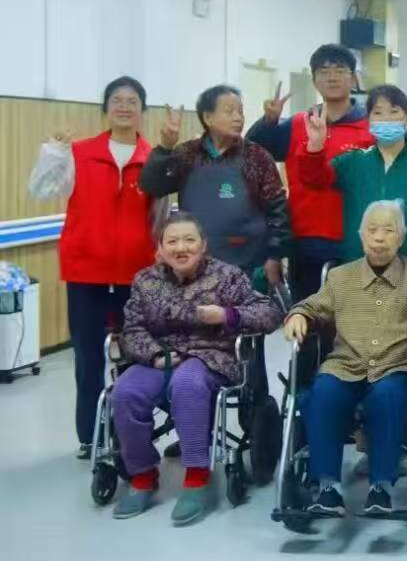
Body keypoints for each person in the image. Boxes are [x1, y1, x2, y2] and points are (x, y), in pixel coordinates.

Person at [282, 200, 407, 517]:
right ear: (361, 236)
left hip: (395, 367)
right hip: (345, 366)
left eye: (388, 231)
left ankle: (381, 488)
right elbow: (310, 306)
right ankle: (328, 488)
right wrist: (298, 315)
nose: (379, 238)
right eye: (372, 230)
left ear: (400, 238)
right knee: (322, 394)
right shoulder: (340, 277)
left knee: (388, 396)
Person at [110, 212, 282, 524]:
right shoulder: (146, 280)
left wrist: (227, 316)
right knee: (125, 391)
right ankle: (143, 474)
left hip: (210, 356)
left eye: (189, 240)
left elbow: (269, 314)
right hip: (161, 357)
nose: (181, 247)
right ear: (160, 248)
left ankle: (197, 474)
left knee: (187, 385)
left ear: (203, 245)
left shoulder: (227, 276)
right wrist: (155, 355)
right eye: (172, 241)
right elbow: (132, 329)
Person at [27, 76, 161, 459]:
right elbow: (40, 190)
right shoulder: (79, 153)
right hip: (85, 272)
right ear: (105, 108)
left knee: (136, 356)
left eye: (132, 101)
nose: (124, 107)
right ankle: (89, 435)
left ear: (142, 110)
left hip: (137, 274)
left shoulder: (153, 159)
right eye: (117, 100)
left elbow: (161, 218)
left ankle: (131, 434)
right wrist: (53, 153)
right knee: (88, 358)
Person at [247, 44, 374, 300]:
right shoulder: (297, 125)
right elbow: (252, 153)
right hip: (305, 239)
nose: (332, 77)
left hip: (356, 238)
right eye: (324, 71)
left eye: (340, 70)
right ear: (315, 81)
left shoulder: (370, 127)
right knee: (306, 314)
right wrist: (268, 122)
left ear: (353, 78)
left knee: (352, 316)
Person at [140, 85, 290, 285]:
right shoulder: (188, 154)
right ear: (208, 118)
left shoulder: (256, 157)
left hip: (248, 266)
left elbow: (278, 210)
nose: (238, 117)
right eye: (229, 111)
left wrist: (275, 256)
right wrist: (164, 147)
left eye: (240, 111)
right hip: (195, 265)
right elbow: (153, 186)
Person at [297, 84, 407, 267]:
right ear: (368, 120)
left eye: (394, 111)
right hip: (358, 268)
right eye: (378, 113)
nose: (386, 119)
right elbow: (314, 179)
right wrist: (315, 145)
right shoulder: (353, 162)